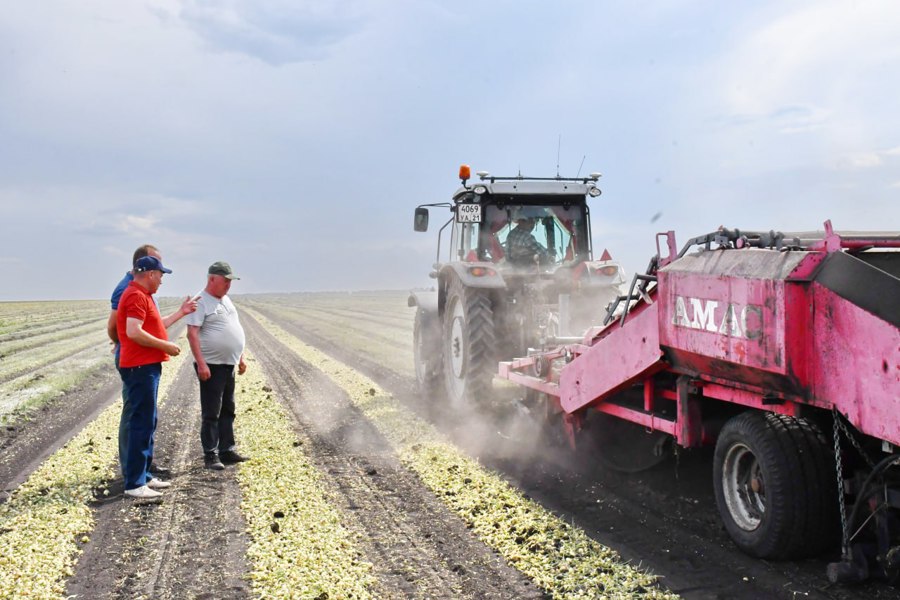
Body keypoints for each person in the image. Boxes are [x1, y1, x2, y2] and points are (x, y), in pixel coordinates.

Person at [117, 255, 195, 499]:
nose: (162, 280)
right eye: (161, 275)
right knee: (141, 422)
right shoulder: (135, 295)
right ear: (150, 273)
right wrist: (166, 345)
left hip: (146, 366)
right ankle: (134, 484)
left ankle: (145, 476)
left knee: (148, 420)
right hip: (140, 367)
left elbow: (154, 325)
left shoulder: (143, 296)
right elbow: (133, 332)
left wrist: (181, 313)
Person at [185, 261, 248, 471]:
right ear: (212, 279)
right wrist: (201, 364)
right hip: (211, 365)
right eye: (226, 281)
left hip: (228, 364)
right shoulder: (200, 301)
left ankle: (227, 449)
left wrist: (240, 357)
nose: (228, 285)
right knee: (212, 411)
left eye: (230, 281)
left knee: (228, 408)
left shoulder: (226, 300)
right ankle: (210, 454)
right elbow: (192, 333)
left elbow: (234, 329)